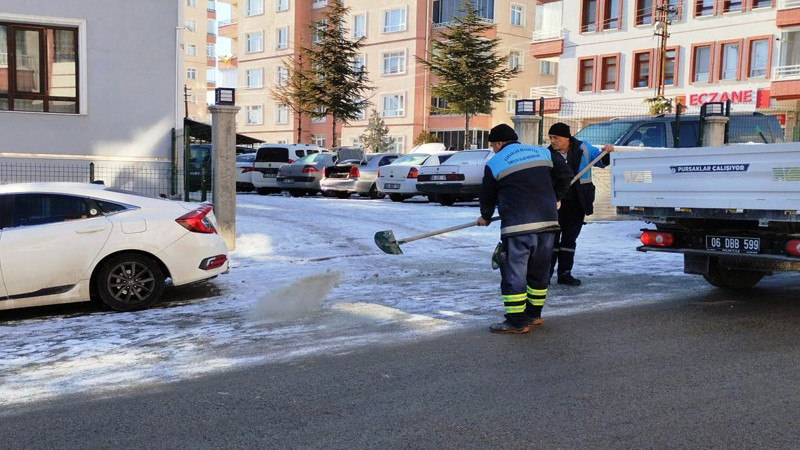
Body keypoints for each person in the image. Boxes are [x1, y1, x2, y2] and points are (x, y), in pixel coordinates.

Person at [477, 124, 573, 334]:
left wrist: (485, 216)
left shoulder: (495, 163)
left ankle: (516, 321)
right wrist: (556, 197)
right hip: (547, 223)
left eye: (493, 145)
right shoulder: (543, 153)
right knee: (539, 271)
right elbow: (566, 174)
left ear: (499, 143)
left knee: (514, 274)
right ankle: (534, 314)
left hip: (518, 226)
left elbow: (487, 195)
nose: (493, 149)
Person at [547, 122, 614, 286]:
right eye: (550, 138)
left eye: (556, 137)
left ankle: (565, 274)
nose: (552, 141)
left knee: (569, 238)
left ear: (567, 138)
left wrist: (608, 152)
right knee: (551, 240)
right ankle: (545, 275)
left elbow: (601, 161)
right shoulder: (547, 154)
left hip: (577, 201)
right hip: (555, 202)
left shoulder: (584, 148)